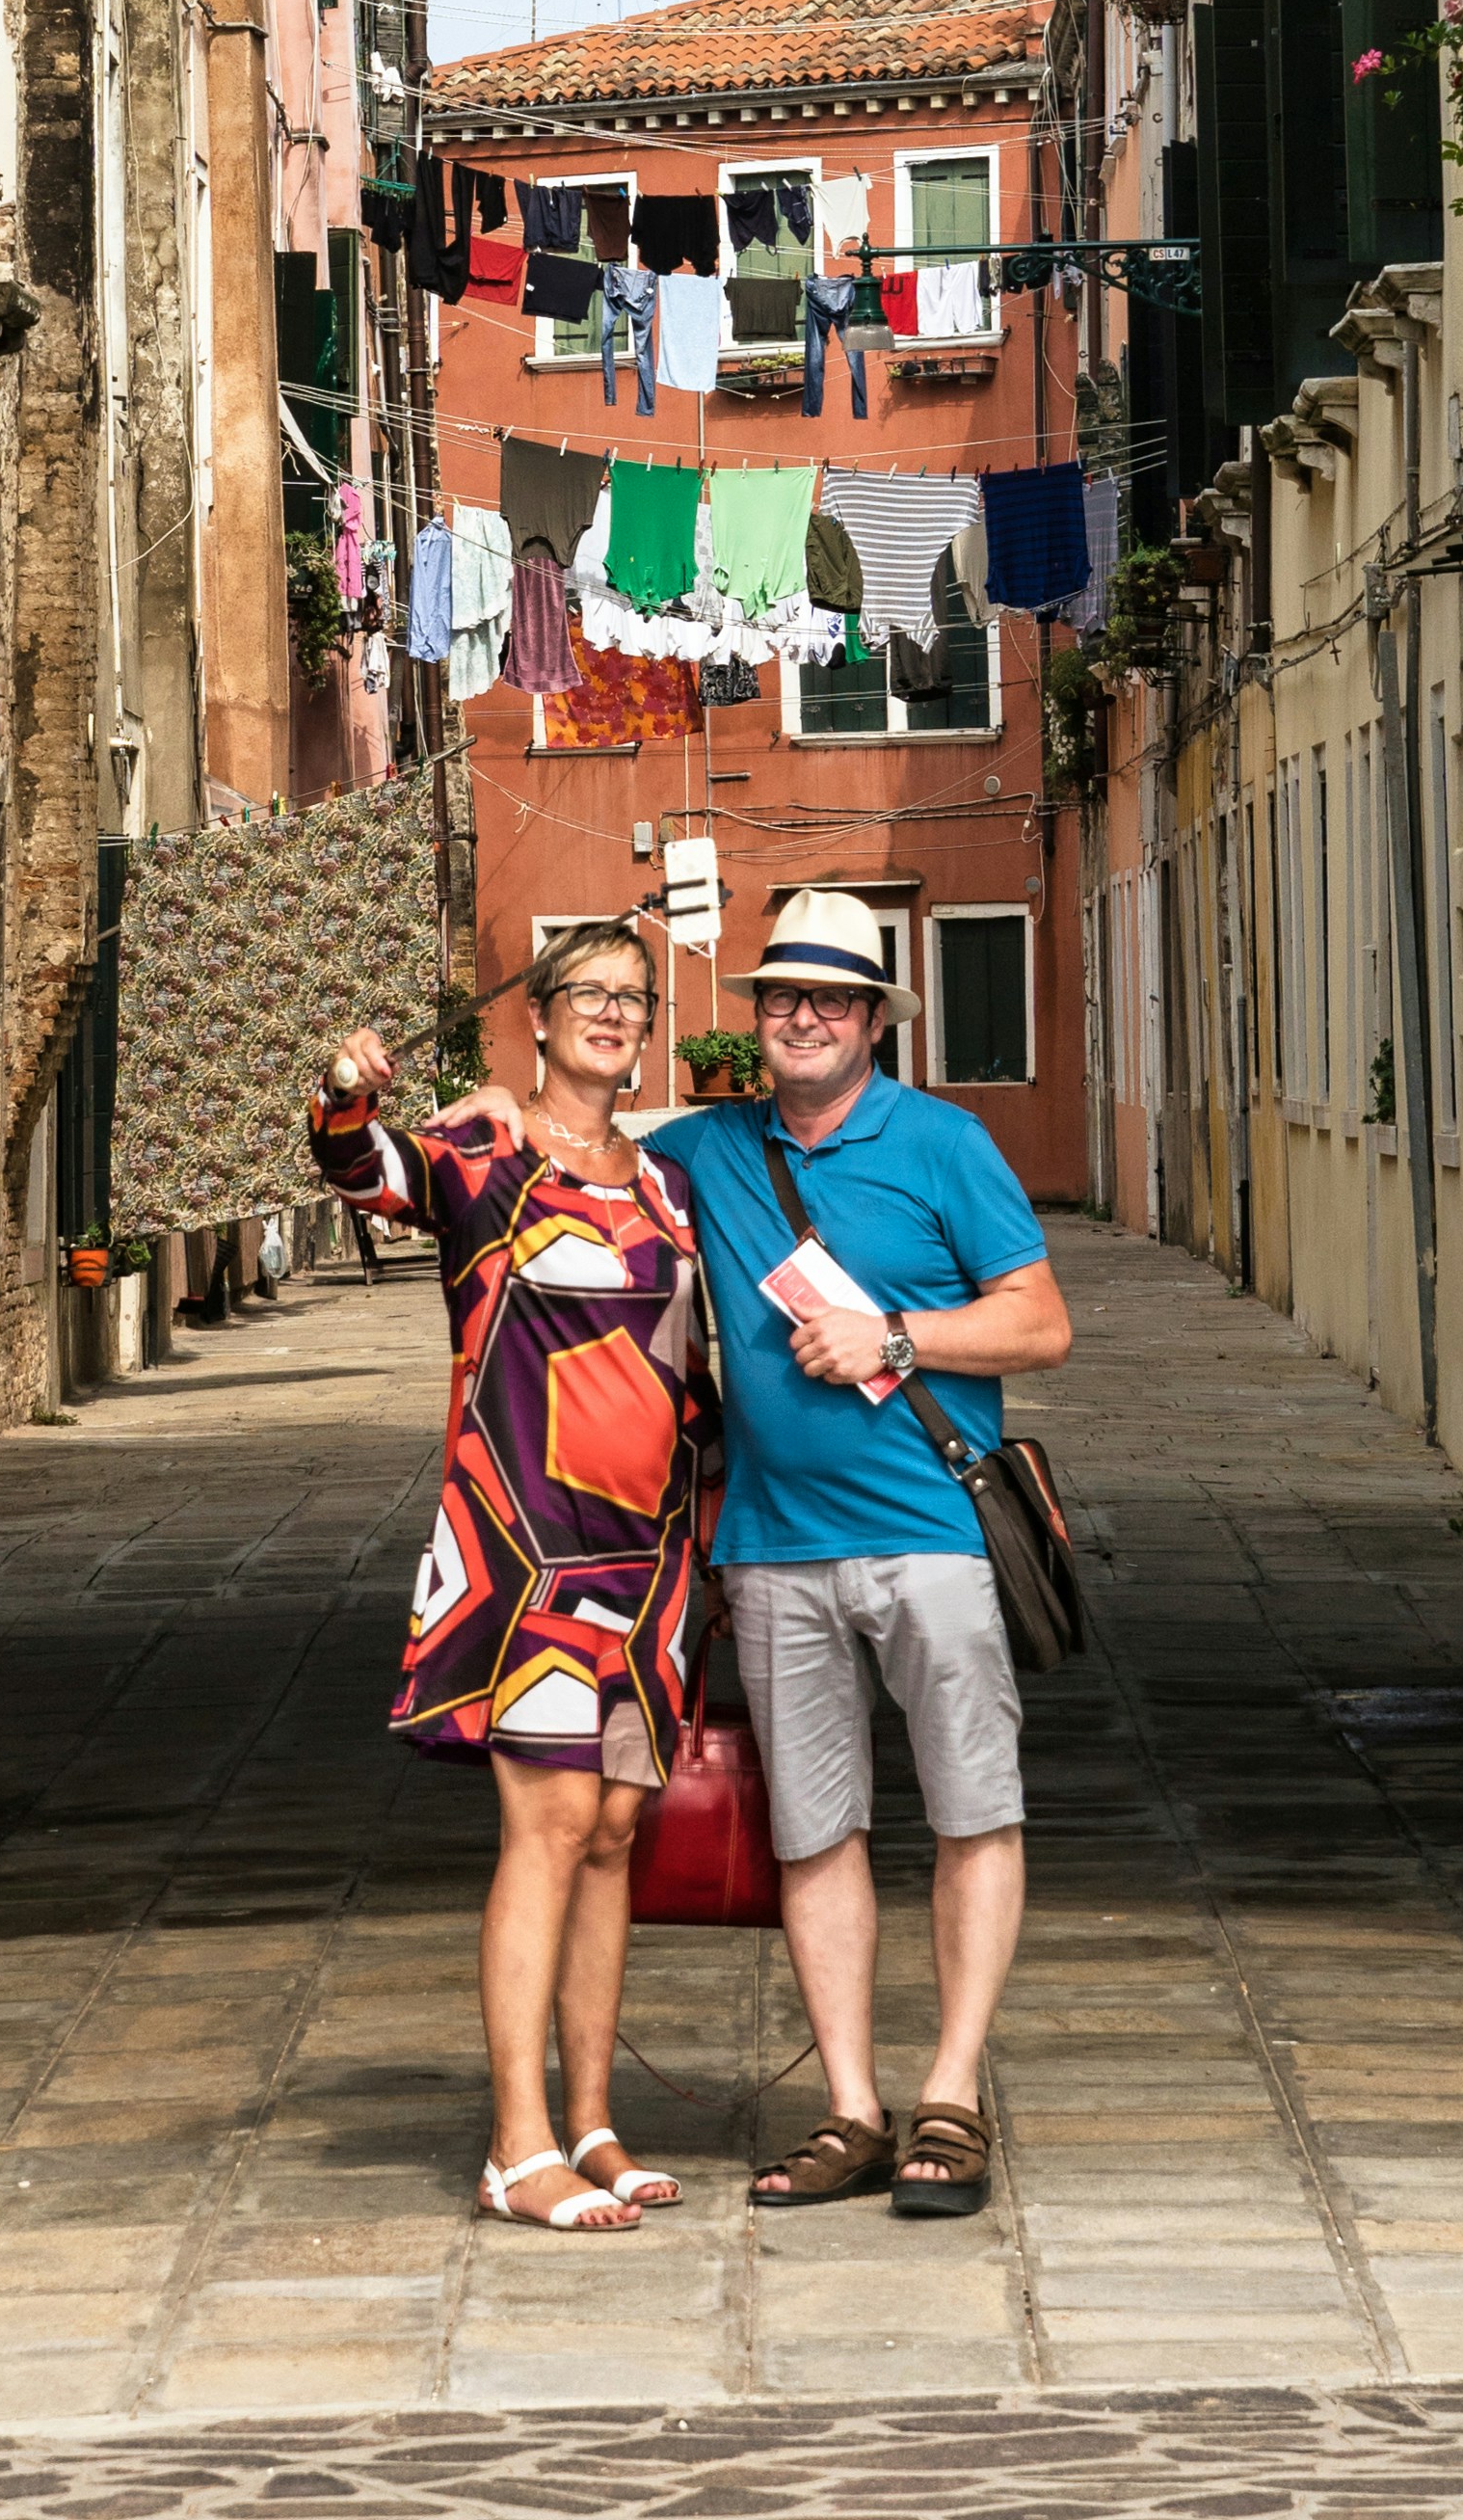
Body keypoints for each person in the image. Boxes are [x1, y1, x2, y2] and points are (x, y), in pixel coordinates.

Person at [452, 885, 1068, 2216]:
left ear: (871, 1020)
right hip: (775, 1553)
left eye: (833, 999)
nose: (805, 1017)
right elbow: (578, 1145)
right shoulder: (706, 1155)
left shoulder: (947, 1144)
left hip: (932, 1537)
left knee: (973, 1813)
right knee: (815, 1832)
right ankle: (851, 2106)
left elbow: (1040, 1325)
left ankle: (951, 2097)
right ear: (757, 1020)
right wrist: (500, 1107)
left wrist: (900, 1337)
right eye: (785, 996)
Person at [310, 918, 719, 2233]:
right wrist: (347, 1083)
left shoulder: (665, 1184)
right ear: (534, 1018)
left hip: (649, 1564)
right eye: (584, 993)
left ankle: (592, 2124)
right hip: (522, 1553)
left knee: (612, 1837)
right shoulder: (480, 1156)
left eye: (631, 997)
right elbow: (359, 1165)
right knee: (545, 1830)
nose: (611, 1013)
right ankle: (515, 2144)